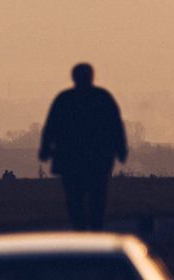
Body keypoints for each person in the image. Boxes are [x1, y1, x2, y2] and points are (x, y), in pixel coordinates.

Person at [39, 63, 127, 230]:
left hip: (71, 161)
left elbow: (51, 127)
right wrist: (120, 150)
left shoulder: (64, 99)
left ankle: (80, 230)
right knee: (97, 199)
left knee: (75, 200)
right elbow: (116, 126)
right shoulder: (103, 98)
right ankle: (95, 230)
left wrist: (45, 150)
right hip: (98, 160)